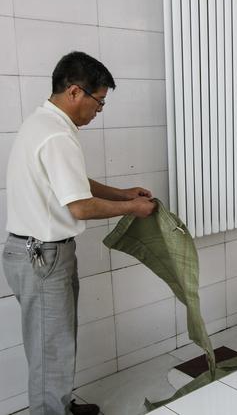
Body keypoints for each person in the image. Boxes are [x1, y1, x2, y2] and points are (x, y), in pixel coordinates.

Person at [2, 52, 156, 415]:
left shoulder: (44, 123)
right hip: (42, 256)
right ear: (75, 92)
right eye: (98, 101)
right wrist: (133, 209)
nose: (99, 110)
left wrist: (121, 193)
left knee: (54, 344)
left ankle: (62, 406)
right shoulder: (57, 134)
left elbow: (73, 184)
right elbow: (80, 206)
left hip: (38, 254)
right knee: (50, 350)